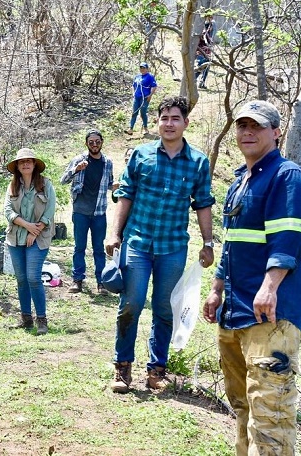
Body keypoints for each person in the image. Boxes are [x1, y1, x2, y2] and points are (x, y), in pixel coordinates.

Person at [203, 100, 301, 455]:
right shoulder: (240, 182)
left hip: (271, 315)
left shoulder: (287, 177)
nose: (248, 132)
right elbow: (233, 245)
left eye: (257, 126)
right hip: (235, 312)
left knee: (271, 416)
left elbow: (289, 239)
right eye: (242, 126)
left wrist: (269, 287)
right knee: (242, 408)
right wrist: (217, 288)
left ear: (276, 132)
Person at [106, 96, 215, 393]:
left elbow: (203, 203)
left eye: (175, 118)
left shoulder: (198, 162)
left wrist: (208, 241)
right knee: (131, 304)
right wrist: (113, 233)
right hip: (138, 243)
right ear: (157, 122)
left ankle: (156, 369)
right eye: (164, 118)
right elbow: (125, 196)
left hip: (173, 247)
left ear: (185, 123)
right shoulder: (141, 156)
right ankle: (122, 367)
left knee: (165, 308)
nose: (169, 124)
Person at [4, 148, 56, 335]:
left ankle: (41, 319)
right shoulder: (13, 186)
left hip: (39, 238)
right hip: (16, 237)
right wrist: (27, 226)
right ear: (17, 166)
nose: (25, 164)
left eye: (29, 161)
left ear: (35, 164)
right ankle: (26, 318)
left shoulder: (46, 185)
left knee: (33, 277)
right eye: (21, 162)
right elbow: (8, 211)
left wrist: (35, 230)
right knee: (21, 279)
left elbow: (50, 210)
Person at [60, 129, 114, 295]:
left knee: (99, 248)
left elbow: (110, 183)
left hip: (99, 212)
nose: (95, 145)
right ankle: (77, 280)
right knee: (79, 247)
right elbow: (63, 180)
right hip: (80, 211)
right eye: (91, 142)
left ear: (102, 142)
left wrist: (116, 186)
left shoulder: (107, 162)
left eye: (97, 141)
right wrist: (76, 169)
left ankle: (101, 283)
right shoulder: (79, 160)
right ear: (86, 143)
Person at [125, 62, 157, 136]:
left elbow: (154, 86)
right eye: (141, 68)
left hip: (145, 98)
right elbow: (133, 86)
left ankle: (145, 128)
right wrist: (133, 93)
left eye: (144, 68)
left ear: (147, 69)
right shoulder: (137, 76)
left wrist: (150, 95)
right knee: (134, 112)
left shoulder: (150, 77)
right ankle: (131, 129)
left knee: (143, 113)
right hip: (137, 98)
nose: (142, 69)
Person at [195, 14, 215, 89]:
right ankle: (194, 81)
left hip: (206, 53)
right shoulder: (204, 34)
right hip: (202, 53)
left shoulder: (208, 35)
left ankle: (202, 83)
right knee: (200, 68)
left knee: (206, 69)